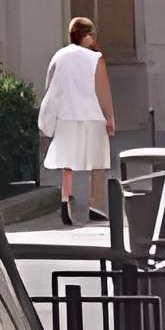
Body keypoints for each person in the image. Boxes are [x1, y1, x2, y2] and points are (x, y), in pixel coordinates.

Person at [39, 16, 116, 227]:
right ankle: (95, 206)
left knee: (68, 164)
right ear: (86, 36)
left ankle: (65, 201)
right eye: (92, 34)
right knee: (96, 162)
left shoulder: (59, 56)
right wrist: (110, 117)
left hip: (67, 115)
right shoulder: (95, 58)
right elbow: (103, 91)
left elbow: (50, 87)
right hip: (92, 115)